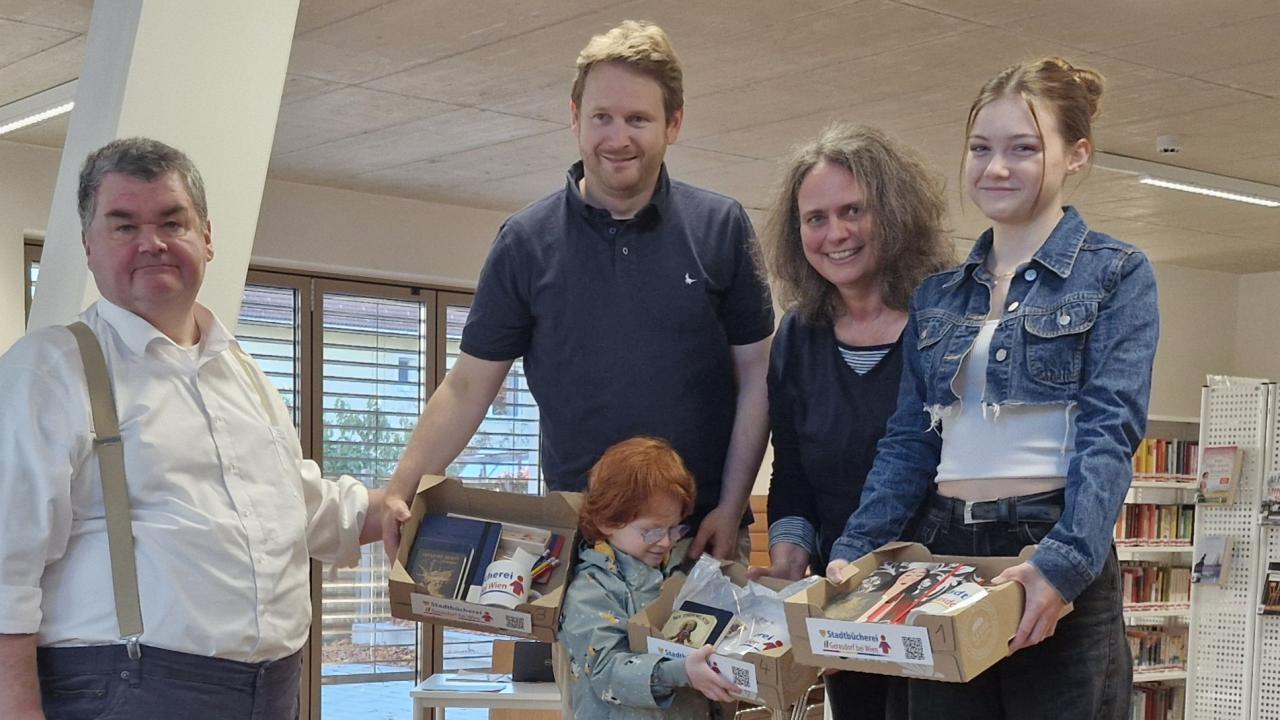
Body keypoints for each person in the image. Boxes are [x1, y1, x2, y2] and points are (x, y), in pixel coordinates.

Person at [0, 137, 384, 720]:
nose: (151, 243)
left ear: (206, 237)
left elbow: (296, 507)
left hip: (273, 690)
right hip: (130, 691)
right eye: (123, 226)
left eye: (172, 222)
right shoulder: (50, 371)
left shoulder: (242, 372)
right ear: (88, 246)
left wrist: (403, 509)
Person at [827, 58, 1159, 720]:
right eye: (981, 149)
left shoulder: (1118, 274)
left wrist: (1063, 568)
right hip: (940, 557)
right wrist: (855, 551)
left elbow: (1108, 432)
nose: (995, 168)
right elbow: (910, 441)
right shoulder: (939, 296)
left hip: (1050, 549)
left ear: (1077, 156)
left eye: (1023, 148)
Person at [380, 20, 774, 566]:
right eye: (602, 117)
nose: (618, 138)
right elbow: (469, 385)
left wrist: (732, 507)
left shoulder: (721, 227)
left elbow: (757, 376)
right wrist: (401, 486)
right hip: (577, 539)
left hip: (699, 534)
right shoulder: (525, 242)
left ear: (674, 123)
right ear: (574, 118)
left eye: (639, 119)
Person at [754, 124, 952, 717]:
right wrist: (790, 551)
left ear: (892, 214)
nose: (835, 233)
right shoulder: (798, 333)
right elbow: (791, 464)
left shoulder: (943, 316)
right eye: (816, 218)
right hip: (845, 592)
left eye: (853, 211)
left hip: (934, 593)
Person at [559, 437, 739, 719]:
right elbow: (607, 670)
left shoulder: (682, 571)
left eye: (675, 529)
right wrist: (680, 672)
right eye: (652, 531)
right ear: (607, 521)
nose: (666, 542)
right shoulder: (592, 590)